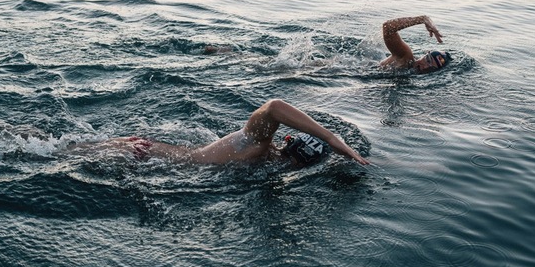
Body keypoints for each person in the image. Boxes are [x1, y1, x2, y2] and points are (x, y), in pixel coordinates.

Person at [70, 99, 369, 168]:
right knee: (44, 151)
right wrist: (330, 137)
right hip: (144, 155)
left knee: (55, 149)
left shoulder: (263, 155)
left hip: (147, 151)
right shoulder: (260, 146)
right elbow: (275, 107)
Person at [379, 15, 451, 73]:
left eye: (431, 68)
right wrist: (422, 19)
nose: (425, 66)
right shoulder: (406, 57)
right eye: (428, 60)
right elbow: (388, 27)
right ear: (425, 54)